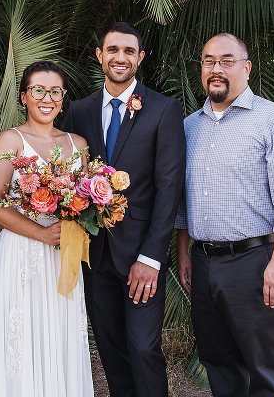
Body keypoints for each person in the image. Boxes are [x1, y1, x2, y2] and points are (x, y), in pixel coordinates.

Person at [175, 33, 274, 397]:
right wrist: (184, 253)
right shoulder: (189, 127)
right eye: (208, 61)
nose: (216, 69)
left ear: (247, 68)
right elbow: (182, 200)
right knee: (218, 364)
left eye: (226, 60)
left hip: (254, 263)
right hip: (203, 264)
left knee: (264, 368)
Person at [63, 22, 186, 397]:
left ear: (140, 58)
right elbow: (67, 177)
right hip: (94, 255)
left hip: (140, 256)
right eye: (113, 50)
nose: (121, 58)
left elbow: (169, 188)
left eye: (129, 51)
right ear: (100, 56)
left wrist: (151, 257)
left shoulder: (164, 110)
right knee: (111, 350)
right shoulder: (79, 111)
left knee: (144, 347)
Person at [0, 61, 94, 396]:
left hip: (62, 255)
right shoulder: (9, 142)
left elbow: (83, 200)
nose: (47, 97)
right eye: (38, 89)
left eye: (55, 91)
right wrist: (40, 233)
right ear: (24, 96)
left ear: (63, 97)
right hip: (21, 253)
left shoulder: (78, 144)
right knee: (20, 337)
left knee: (59, 334)